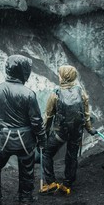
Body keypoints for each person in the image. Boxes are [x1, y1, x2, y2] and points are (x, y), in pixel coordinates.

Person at [0, 55, 46, 205]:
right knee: (27, 169)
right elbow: (36, 122)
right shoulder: (29, 94)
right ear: (23, 71)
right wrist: (41, 140)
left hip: (4, 139)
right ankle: (25, 202)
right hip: (26, 140)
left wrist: (2, 132)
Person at [40, 64, 97, 195]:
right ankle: (67, 185)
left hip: (61, 132)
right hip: (76, 133)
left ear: (62, 77)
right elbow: (86, 115)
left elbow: (48, 117)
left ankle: (51, 182)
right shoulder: (81, 93)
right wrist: (89, 129)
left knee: (47, 154)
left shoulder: (55, 95)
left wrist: (43, 134)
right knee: (71, 157)